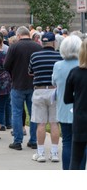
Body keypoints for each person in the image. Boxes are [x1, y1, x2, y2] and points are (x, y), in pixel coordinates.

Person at [4, 26, 42, 151]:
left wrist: (13, 72)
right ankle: (33, 140)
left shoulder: (14, 47)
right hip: (33, 84)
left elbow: (6, 65)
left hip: (17, 83)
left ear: (19, 35)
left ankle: (17, 141)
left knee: (16, 113)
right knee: (33, 114)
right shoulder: (37, 47)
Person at [52, 35, 86, 169]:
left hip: (64, 109)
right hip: (81, 110)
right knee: (82, 146)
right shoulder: (80, 67)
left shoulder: (58, 66)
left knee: (66, 142)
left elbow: (53, 82)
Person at [29, 32, 62, 163]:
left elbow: (30, 72)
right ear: (54, 43)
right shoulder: (59, 56)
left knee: (40, 123)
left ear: (42, 42)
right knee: (54, 123)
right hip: (54, 91)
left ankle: (41, 153)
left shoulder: (35, 56)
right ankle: (54, 153)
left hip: (39, 90)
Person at [64, 39, 87, 170]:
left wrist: (79, 98)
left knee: (76, 159)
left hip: (80, 119)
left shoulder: (75, 72)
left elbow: (67, 98)